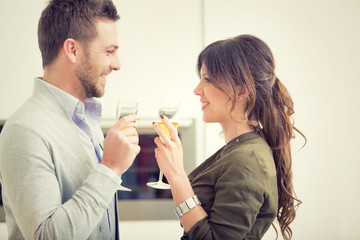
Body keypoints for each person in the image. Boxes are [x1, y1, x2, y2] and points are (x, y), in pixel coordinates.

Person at [0, 0, 140, 239]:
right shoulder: (24, 130)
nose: (117, 64)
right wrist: (110, 168)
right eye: (109, 51)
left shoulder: (88, 120)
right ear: (72, 50)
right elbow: (46, 236)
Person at [152, 34, 306, 240]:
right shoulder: (238, 150)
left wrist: (176, 174)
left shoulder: (247, 159)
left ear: (241, 91)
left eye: (207, 79)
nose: (197, 90)